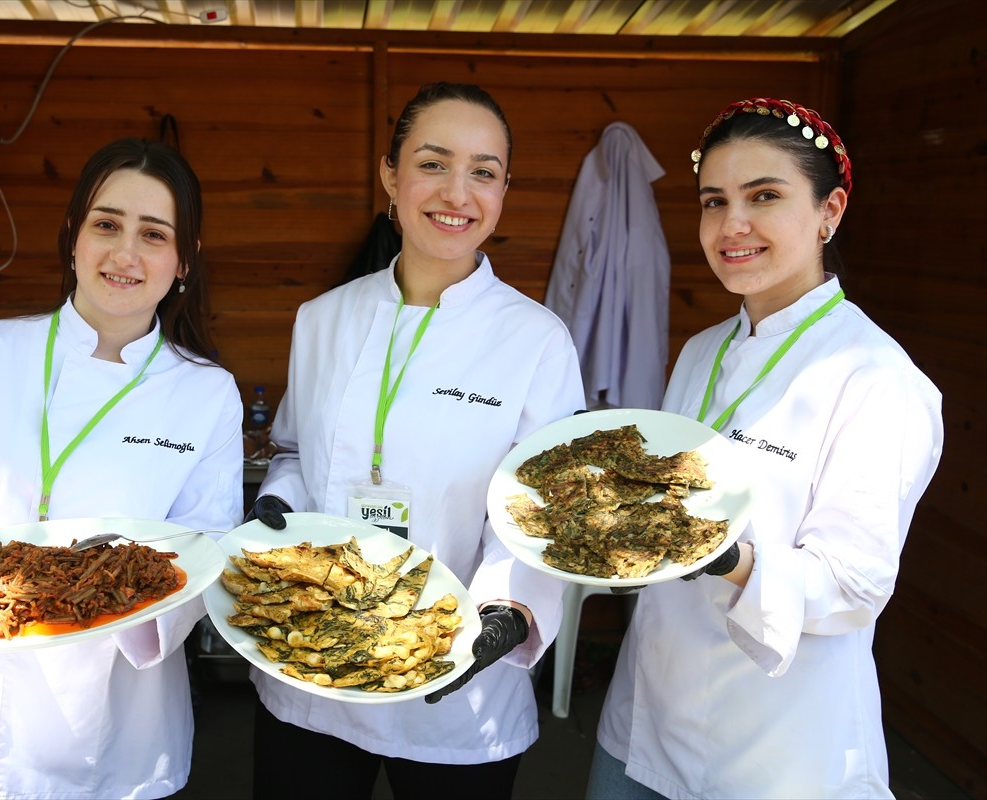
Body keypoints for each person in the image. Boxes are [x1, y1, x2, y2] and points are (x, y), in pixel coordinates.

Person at [0, 138, 245, 799]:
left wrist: (124, 601)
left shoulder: (205, 393)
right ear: (72, 238)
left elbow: (206, 544)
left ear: (184, 261)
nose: (124, 253)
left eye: (154, 234)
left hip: (116, 713)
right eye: (106, 224)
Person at [586, 98, 944, 799]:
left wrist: (721, 555)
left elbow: (855, 584)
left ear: (830, 212)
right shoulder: (700, 351)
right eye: (714, 201)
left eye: (765, 197)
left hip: (779, 749)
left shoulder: (876, 379)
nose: (732, 225)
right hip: (646, 719)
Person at [245, 82, 586, 799]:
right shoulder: (323, 318)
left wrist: (504, 613)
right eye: (433, 163)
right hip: (310, 668)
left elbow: (545, 510)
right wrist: (276, 501)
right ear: (389, 177)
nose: (457, 192)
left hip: (455, 680)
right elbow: (294, 452)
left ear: (503, 190)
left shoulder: (536, 341)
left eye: (484, 172)